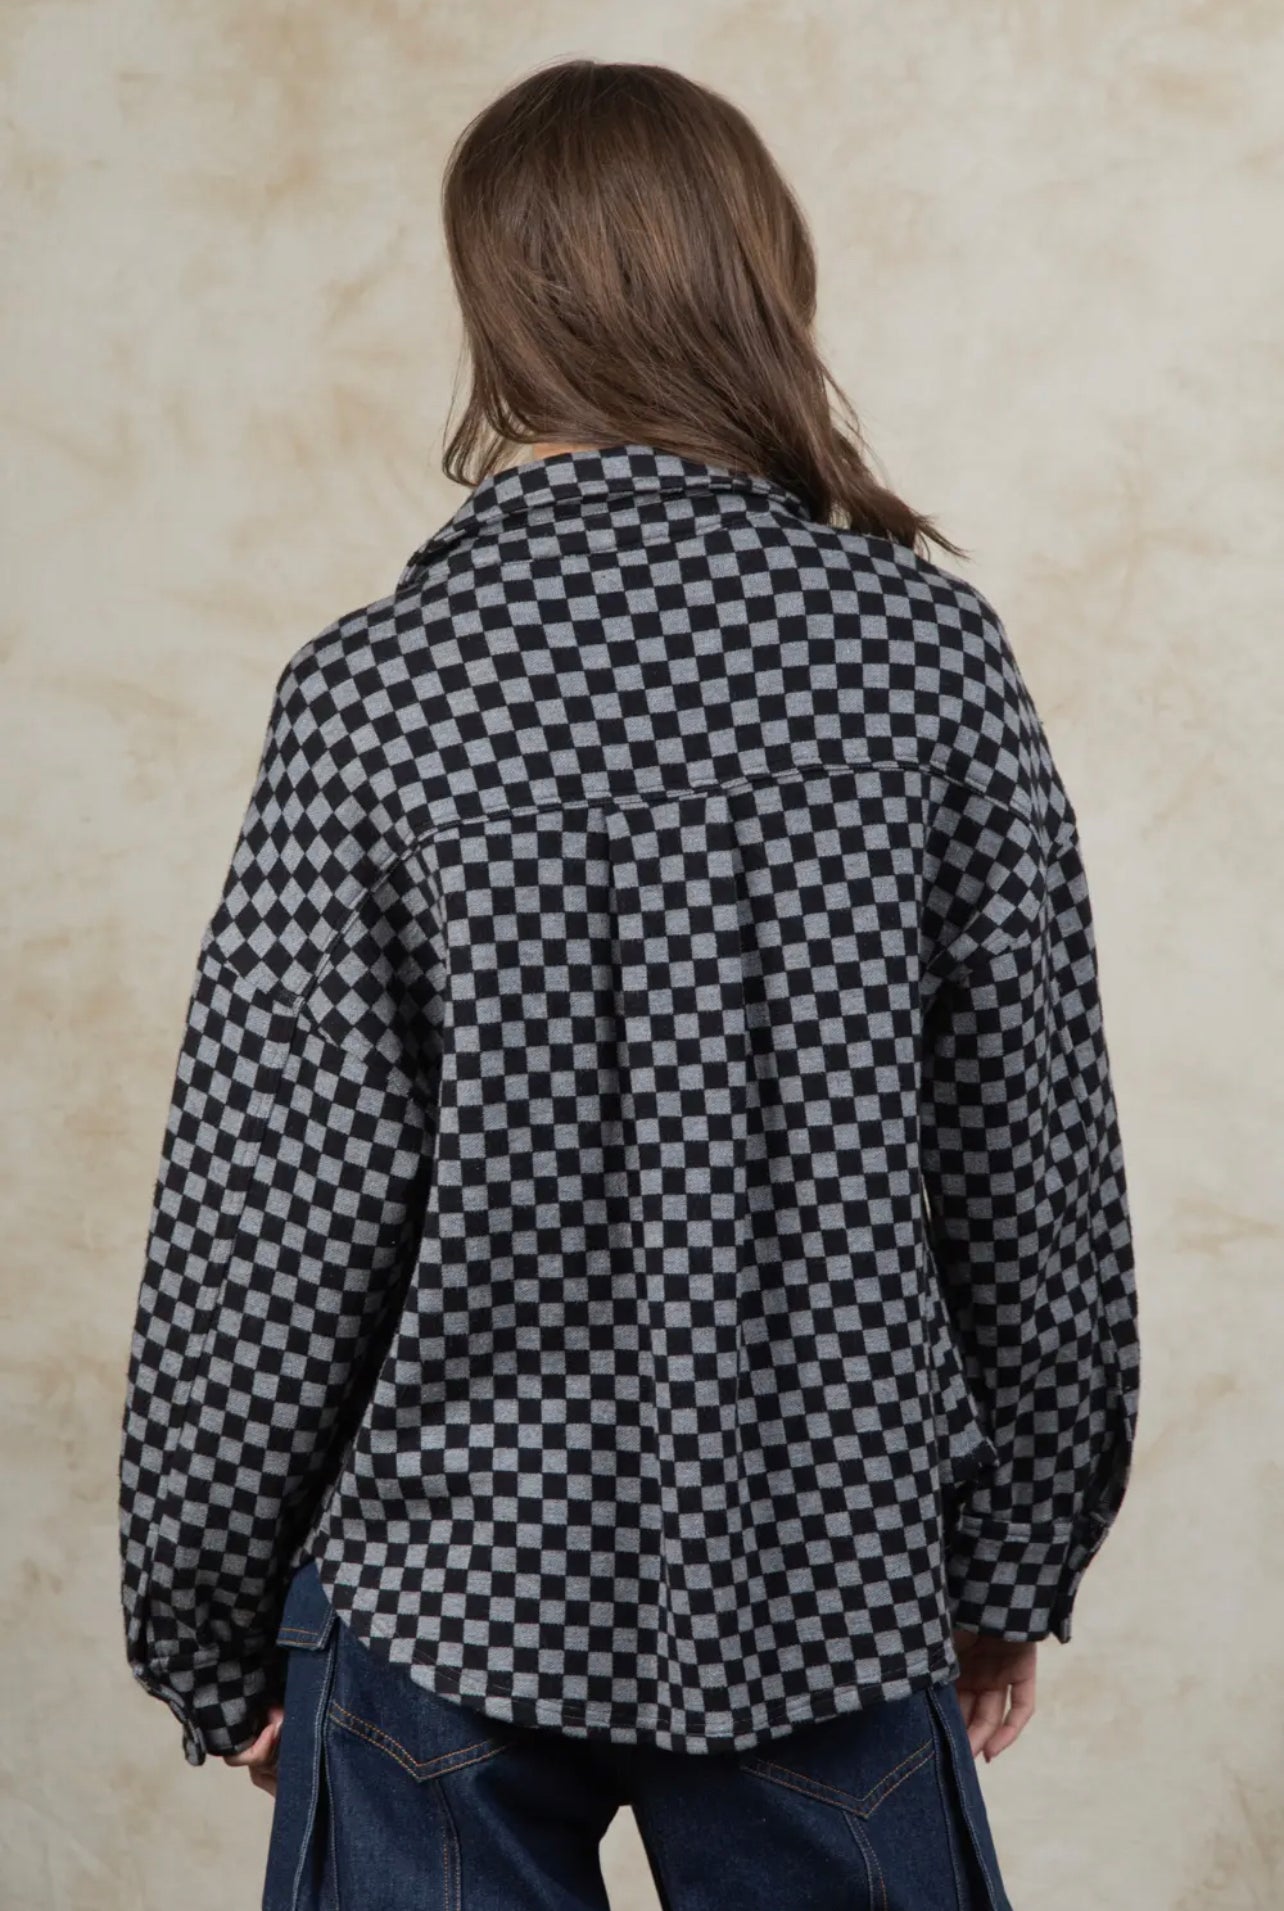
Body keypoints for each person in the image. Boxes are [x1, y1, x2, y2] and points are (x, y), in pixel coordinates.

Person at [117, 56, 1140, 1911]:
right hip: (831, 1582)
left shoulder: (381, 691)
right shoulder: (927, 661)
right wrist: (1011, 1564)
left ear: (501, 307)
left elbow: (270, 1213)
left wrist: (204, 1627)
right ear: (760, 277)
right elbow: (1034, 1164)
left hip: (441, 1595)